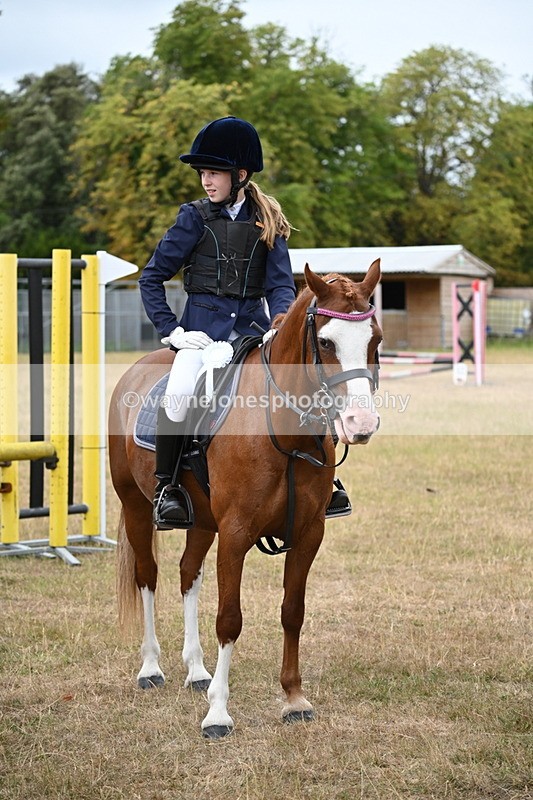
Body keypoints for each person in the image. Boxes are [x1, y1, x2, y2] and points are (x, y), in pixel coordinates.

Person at [140, 116, 351, 529]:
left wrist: (280, 320)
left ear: (240, 175)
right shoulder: (193, 218)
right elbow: (152, 276)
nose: (205, 181)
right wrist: (173, 331)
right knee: (181, 392)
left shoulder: (268, 220)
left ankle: (328, 479)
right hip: (200, 336)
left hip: (255, 332)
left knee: (304, 386)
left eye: (213, 172)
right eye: (202, 172)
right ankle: (168, 489)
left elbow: (279, 285)